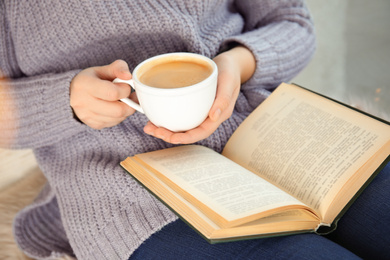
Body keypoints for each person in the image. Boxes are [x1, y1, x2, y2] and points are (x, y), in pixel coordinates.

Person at [0, 0, 388, 259]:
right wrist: (65, 100)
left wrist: (238, 63)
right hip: (124, 187)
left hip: (274, 134)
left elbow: (294, 23)